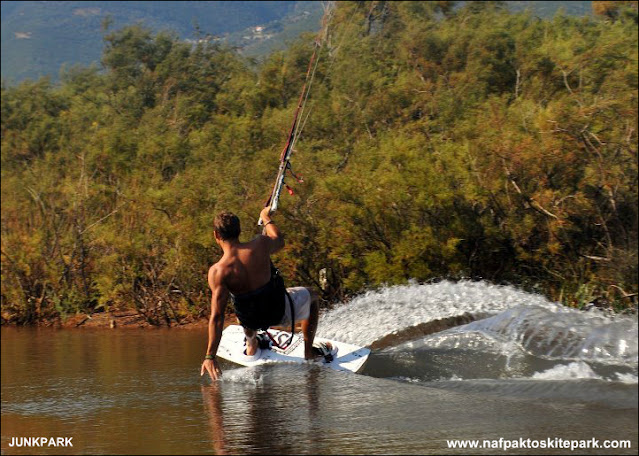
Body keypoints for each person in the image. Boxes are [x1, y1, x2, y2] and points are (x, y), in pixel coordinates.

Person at [200, 206, 332, 381]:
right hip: (278, 312)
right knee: (312, 295)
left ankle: (252, 345)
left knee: (242, 306)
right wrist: (266, 217)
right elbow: (278, 240)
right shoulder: (260, 244)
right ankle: (308, 352)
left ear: (216, 235)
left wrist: (210, 356)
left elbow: (217, 317)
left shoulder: (218, 271)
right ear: (239, 231)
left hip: (250, 321)